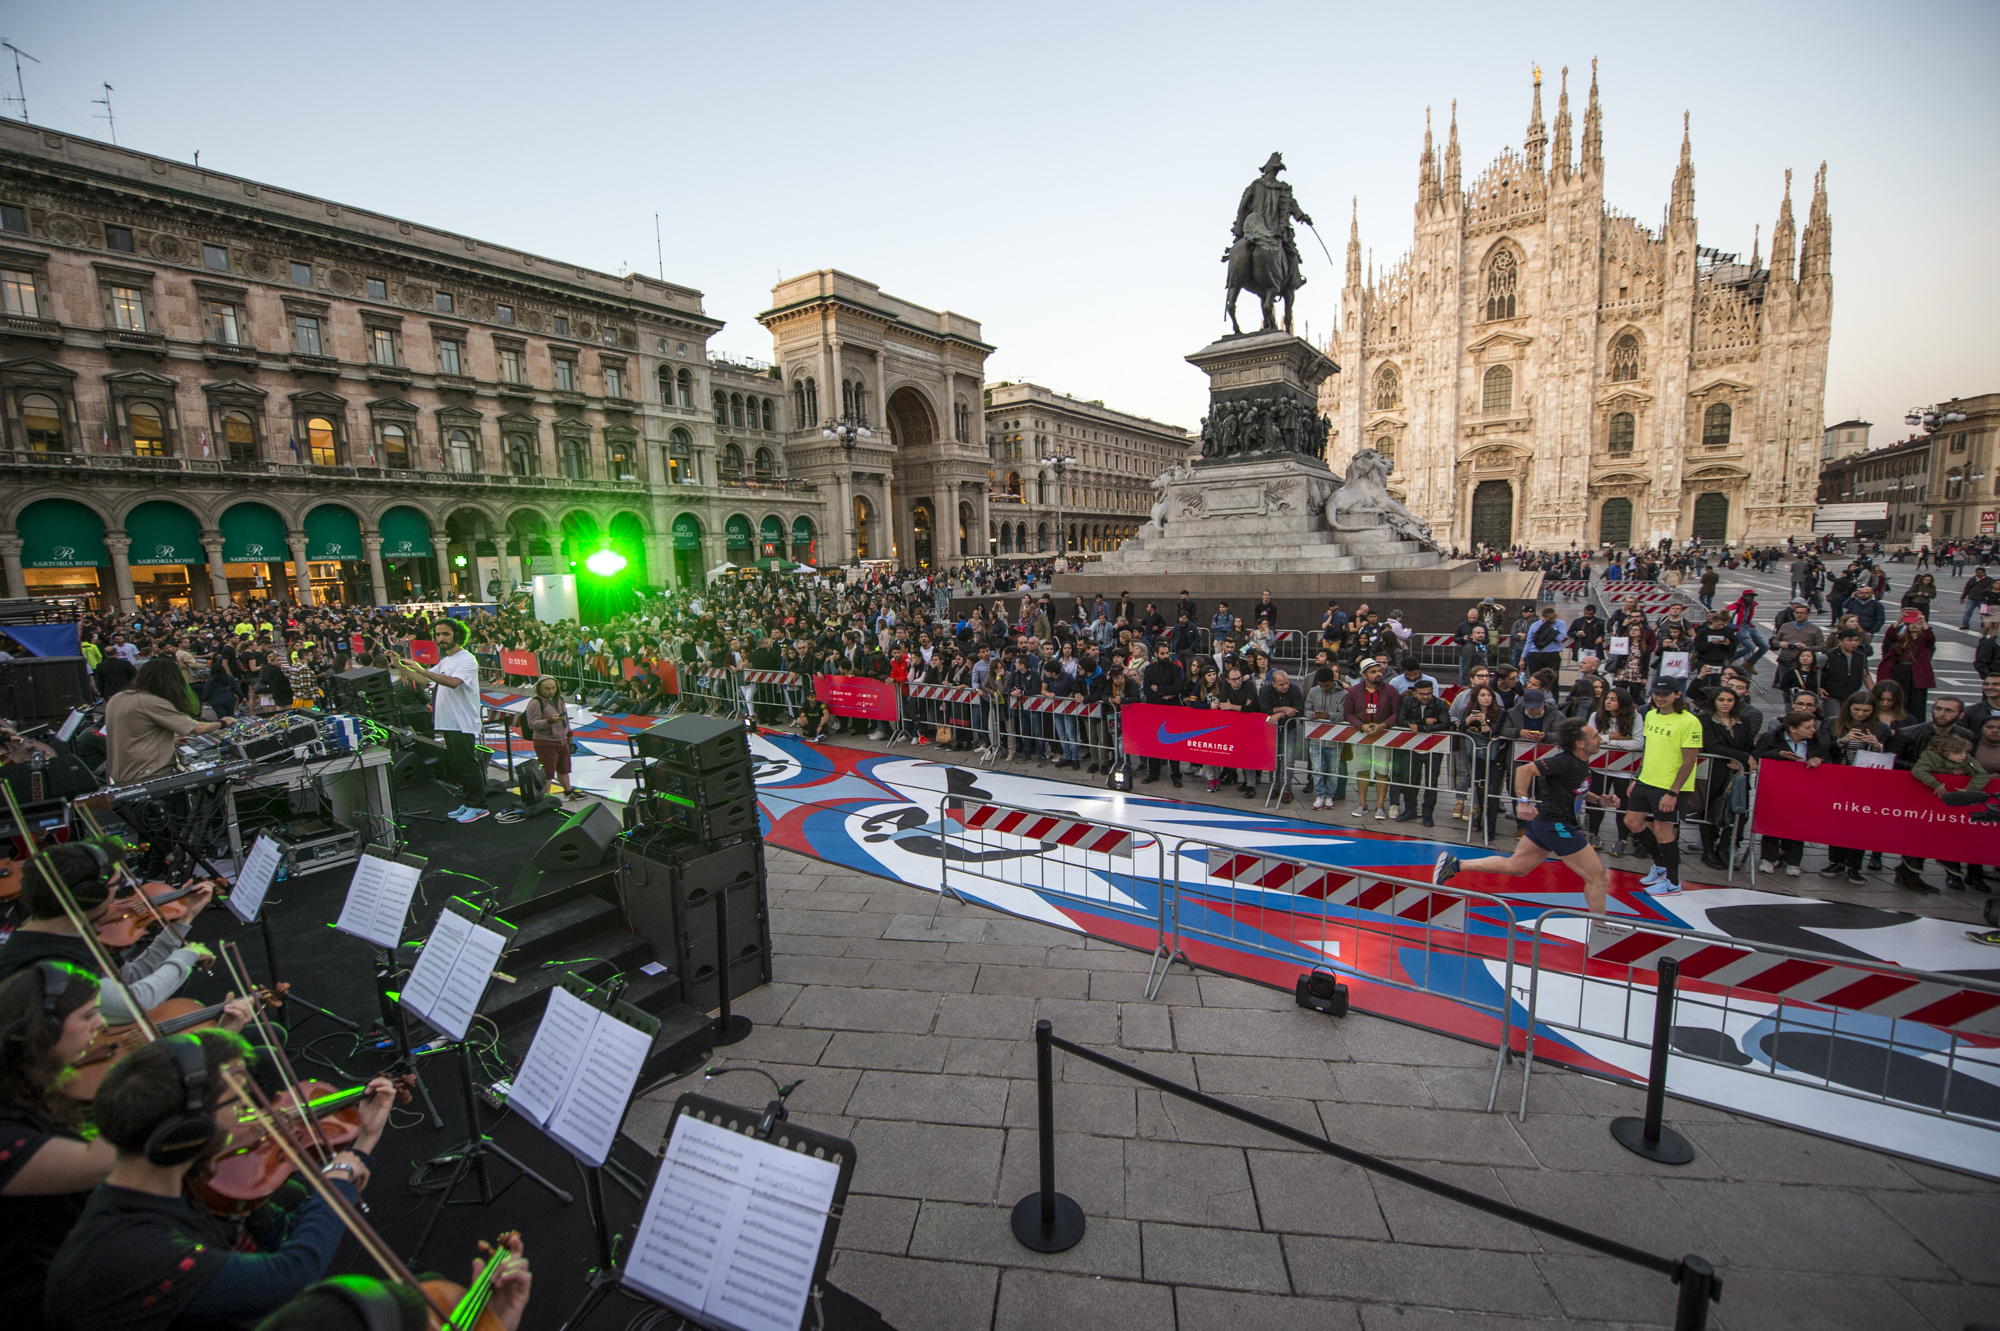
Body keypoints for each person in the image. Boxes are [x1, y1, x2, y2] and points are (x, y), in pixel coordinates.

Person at [42, 1031, 397, 1331]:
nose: (254, 1114)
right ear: (189, 1128)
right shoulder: (135, 1249)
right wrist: (338, 1183)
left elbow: (280, 1235)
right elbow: (291, 1275)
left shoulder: (187, 1180)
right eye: (239, 1101)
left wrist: (362, 1143)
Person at [0, 962, 114, 1330]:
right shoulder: (7, 1134)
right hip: (42, 1300)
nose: (102, 1026)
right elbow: (102, 1161)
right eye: (89, 1015)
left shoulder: (36, 1086)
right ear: (42, 1030)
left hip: (76, 1261)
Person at [1436, 716, 1620, 915]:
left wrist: (1600, 799)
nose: (1600, 739)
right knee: (1598, 878)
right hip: (1557, 826)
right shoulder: (1564, 761)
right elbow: (1525, 770)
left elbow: (1577, 789)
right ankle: (1599, 930)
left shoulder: (1581, 762)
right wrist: (1522, 802)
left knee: (1517, 867)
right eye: (1595, 736)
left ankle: (1454, 865)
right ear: (1580, 743)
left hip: (1545, 825)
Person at [398, 620, 487, 823]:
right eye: (437, 635)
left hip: (462, 721)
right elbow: (425, 681)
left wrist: (421, 669)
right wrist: (398, 665)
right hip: (448, 721)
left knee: (467, 764)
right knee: (457, 765)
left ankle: (479, 805)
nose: (441, 639)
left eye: (445, 634)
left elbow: (453, 682)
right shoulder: (446, 661)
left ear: (457, 635)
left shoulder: (466, 659)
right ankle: (469, 802)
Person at [1623, 679, 1705, 895]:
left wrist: (1673, 792)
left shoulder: (1690, 721)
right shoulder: (1651, 715)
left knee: (1663, 831)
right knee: (1632, 822)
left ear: (1677, 694)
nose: (1659, 698)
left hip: (1670, 786)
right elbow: (1649, 750)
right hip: (1646, 780)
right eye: (1656, 693)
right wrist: (1637, 778)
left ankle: (1673, 880)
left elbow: (1689, 760)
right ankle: (1660, 864)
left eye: (1664, 694)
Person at [104, 659, 228, 786]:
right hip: (149, 777)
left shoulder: (117, 697)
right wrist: (222, 722)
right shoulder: (150, 701)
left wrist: (168, 741)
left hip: (121, 775)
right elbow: (197, 729)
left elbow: (133, 733)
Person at [1754, 711, 1829, 875]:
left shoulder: (1817, 740)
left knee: (1797, 824)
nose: (1812, 730)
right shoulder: (1771, 738)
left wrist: (1819, 760)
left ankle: (1793, 861)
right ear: (1793, 729)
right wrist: (1778, 754)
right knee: (1772, 822)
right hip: (1776, 787)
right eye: (1807, 727)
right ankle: (1768, 858)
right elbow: (1757, 755)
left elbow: (1827, 755)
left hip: (1803, 789)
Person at [1343, 658, 1397, 820]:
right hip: (1361, 735)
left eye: (1379, 671)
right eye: (1373, 672)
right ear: (1364, 674)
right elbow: (1348, 713)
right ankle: (1362, 804)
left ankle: (1380, 806)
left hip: (1383, 735)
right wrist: (1361, 726)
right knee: (1362, 770)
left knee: (1382, 771)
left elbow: (1396, 713)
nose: (1378, 674)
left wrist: (1383, 725)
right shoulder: (1354, 691)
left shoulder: (1390, 690)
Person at [1392, 677, 1449, 826]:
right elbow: (1400, 721)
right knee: (1409, 779)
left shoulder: (1440, 704)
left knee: (1431, 782)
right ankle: (1410, 810)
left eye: (1428, 694)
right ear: (1415, 693)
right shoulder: (1407, 702)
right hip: (1412, 747)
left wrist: (1421, 728)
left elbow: (1445, 724)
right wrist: (1423, 722)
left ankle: (1427, 814)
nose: (1425, 697)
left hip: (1433, 749)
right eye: (1422, 694)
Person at [520, 676, 576, 800]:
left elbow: (565, 718)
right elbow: (532, 724)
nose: (551, 691)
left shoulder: (559, 699)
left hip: (561, 740)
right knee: (547, 772)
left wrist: (569, 732)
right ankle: (545, 798)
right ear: (540, 689)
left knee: (564, 768)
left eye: (553, 688)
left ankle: (568, 792)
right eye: (547, 689)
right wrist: (550, 721)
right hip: (545, 741)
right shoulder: (535, 703)